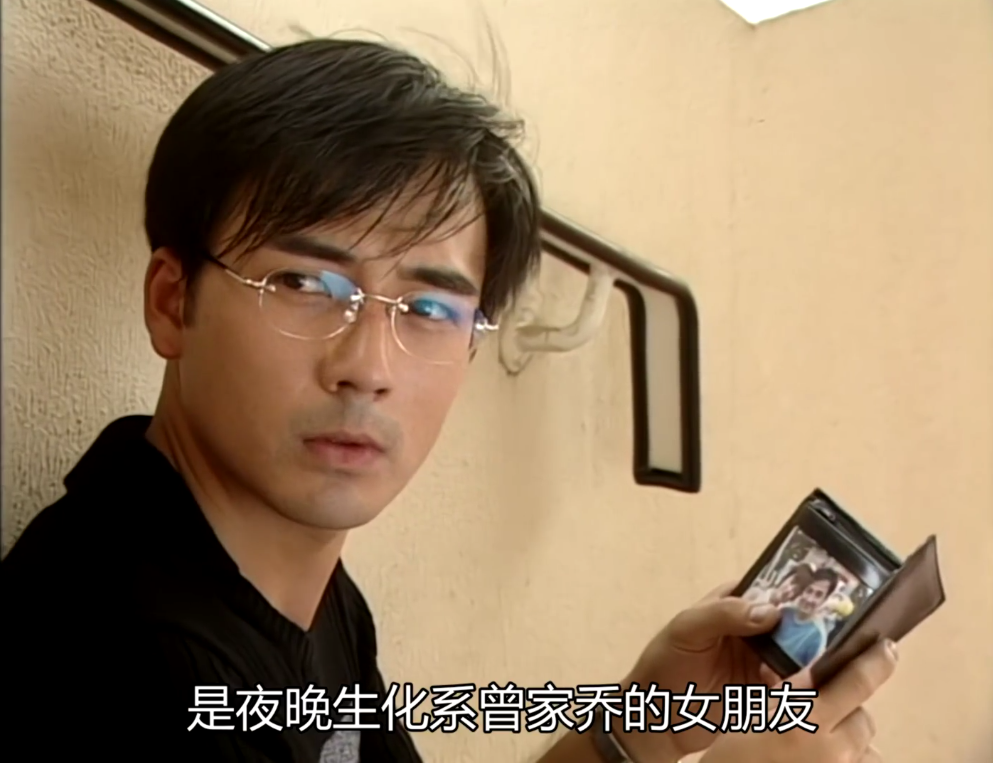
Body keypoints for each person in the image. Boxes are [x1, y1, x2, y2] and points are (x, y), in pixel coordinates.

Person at [2, 37, 897, 763]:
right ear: (173, 302)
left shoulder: (292, 591)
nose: (367, 365)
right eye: (307, 284)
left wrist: (636, 729)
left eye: (429, 309)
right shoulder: (107, 653)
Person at [773, 567, 841, 667]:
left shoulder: (817, 636)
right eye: (809, 591)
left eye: (818, 595)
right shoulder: (785, 611)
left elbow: (806, 673)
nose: (809, 599)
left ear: (825, 599)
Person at [743, 563, 815, 607]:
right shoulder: (755, 594)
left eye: (795, 591)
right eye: (792, 582)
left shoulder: (780, 617)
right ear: (785, 578)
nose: (788, 590)